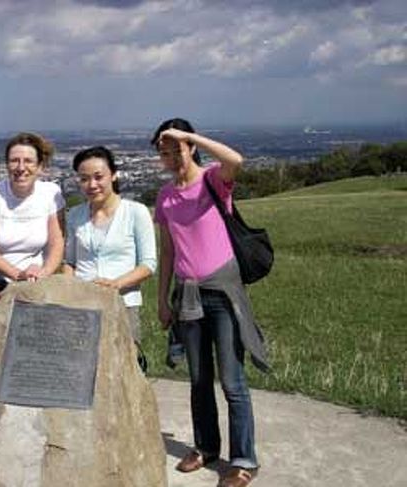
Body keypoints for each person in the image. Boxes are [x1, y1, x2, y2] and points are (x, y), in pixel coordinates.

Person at [153, 118, 269, 487]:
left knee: (232, 381)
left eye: (176, 148)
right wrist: (162, 299)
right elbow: (168, 250)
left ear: (190, 147)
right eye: (163, 150)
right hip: (187, 294)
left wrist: (188, 135)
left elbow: (236, 159)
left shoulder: (213, 180)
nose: (169, 155)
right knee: (198, 378)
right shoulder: (165, 195)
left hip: (221, 292)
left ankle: (243, 461)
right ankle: (205, 447)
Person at [0, 132, 65, 366]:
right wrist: (18, 275)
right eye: (14, 160)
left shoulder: (51, 193)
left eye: (28, 161)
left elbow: (57, 242)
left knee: (34, 355)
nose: (21, 167)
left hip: (37, 282)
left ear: (40, 166)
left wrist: (44, 273)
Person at [63, 146, 156, 347]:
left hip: (122, 303)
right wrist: (68, 292)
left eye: (98, 177)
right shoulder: (74, 216)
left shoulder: (135, 212)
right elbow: (69, 261)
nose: (92, 184)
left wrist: (116, 284)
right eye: (84, 179)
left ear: (113, 175)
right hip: (82, 304)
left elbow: (148, 264)